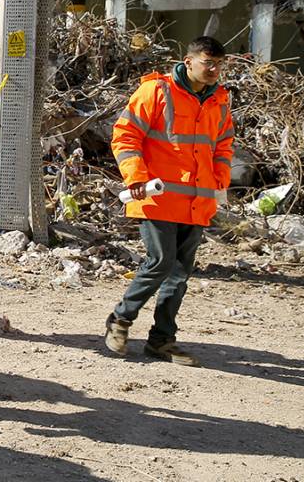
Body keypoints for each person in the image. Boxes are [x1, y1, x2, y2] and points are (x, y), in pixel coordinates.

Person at [105, 36, 235, 366]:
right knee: (160, 263)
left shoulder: (219, 101)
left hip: (197, 202)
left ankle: (161, 341)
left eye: (219, 64)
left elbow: (223, 145)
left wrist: (220, 177)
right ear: (188, 61)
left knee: (179, 274)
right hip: (157, 196)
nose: (215, 70)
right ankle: (119, 321)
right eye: (209, 63)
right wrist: (135, 177)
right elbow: (125, 135)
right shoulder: (157, 91)